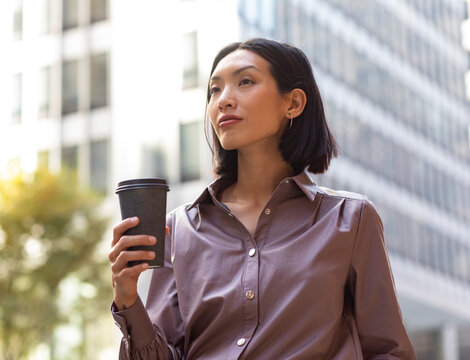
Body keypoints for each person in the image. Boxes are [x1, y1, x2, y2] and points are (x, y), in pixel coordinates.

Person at [109, 38, 417, 359]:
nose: (223, 101)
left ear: (294, 103)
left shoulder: (349, 219)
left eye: (245, 81)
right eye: (215, 90)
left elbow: (389, 350)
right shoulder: (179, 229)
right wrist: (127, 298)